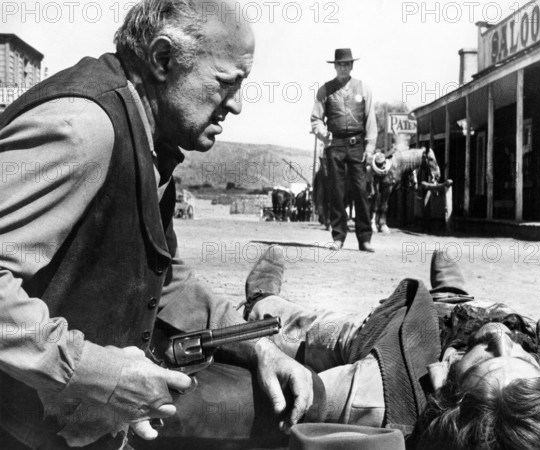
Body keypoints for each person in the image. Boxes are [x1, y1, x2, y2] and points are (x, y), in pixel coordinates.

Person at [0, 2, 315, 448]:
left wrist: (255, 345)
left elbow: (163, 278)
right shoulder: (84, 128)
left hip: (70, 416)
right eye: (227, 83)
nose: (238, 106)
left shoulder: (148, 138)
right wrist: (100, 374)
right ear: (163, 59)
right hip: (23, 425)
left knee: (281, 394)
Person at [238, 246, 540, 450]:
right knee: (471, 308)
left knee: (305, 328)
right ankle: (454, 293)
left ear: (448, 382)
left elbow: (298, 398)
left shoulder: (373, 393)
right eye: (524, 359)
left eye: (487, 359)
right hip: (482, 312)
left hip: (403, 328)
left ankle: (263, 298)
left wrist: (263, 340)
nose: (502, 338)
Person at [311, 48, 378, 252]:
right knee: (336, 191)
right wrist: (324, 134)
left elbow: (370, 120)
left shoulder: (364, 88)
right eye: (339, 64)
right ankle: (338, 237)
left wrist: (370, 146)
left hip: (357, 145)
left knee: (361, 190)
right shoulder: (325, 90)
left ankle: (364, 238)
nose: (343, 67)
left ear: (352, 66)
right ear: (335, 66)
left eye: (346, 64)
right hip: (335, 145)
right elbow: (315, 119)